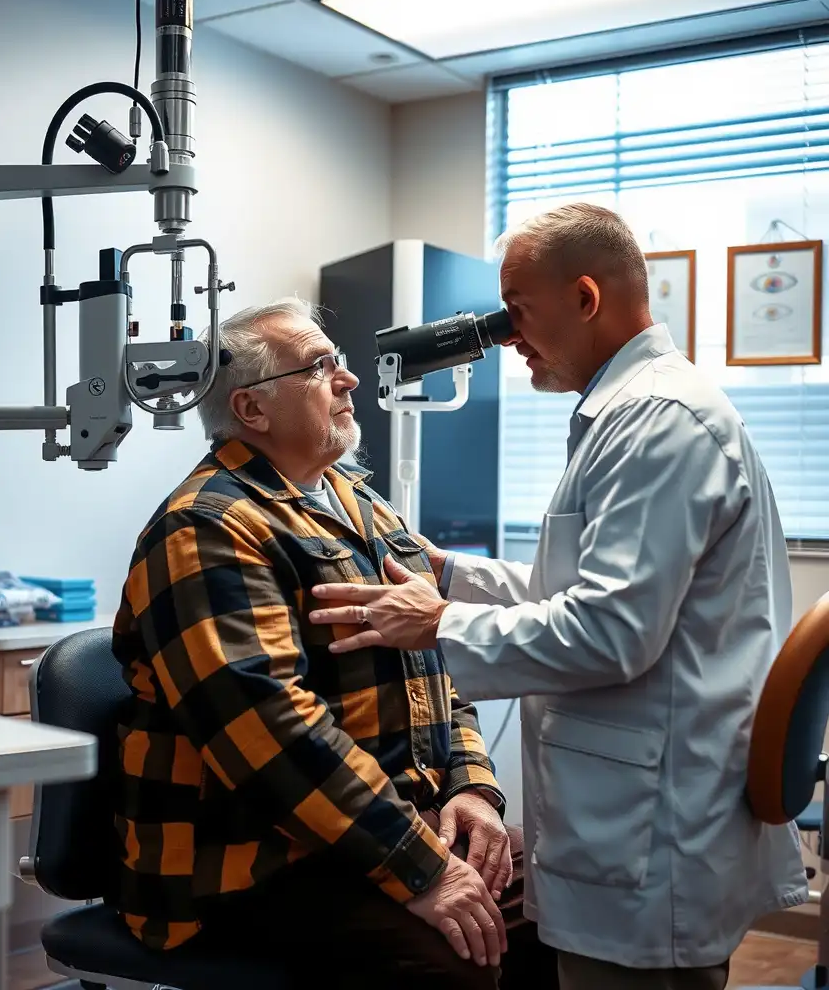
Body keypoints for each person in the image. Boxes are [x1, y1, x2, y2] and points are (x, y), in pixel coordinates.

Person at [309, 203, 809, 990]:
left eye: (519, 312)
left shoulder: (655, 421)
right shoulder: (631, 413)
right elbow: (577, 592)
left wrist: (439, 625)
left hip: (651, 828)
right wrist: (448, 575)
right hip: (638, 806)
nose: (507, 337)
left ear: (585, 298)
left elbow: (610, 632)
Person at [110, 296, 559, 990]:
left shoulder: (358, 503)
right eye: (320, 368)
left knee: (566, 906)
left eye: (338, 362)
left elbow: (435, 666)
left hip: (367, 835)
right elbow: (271, 734)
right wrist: (423, 866)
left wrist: (473, 792)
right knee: (461, 958)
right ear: (253, 409)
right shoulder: (207, 529)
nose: (348, 380)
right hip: (248, 863)